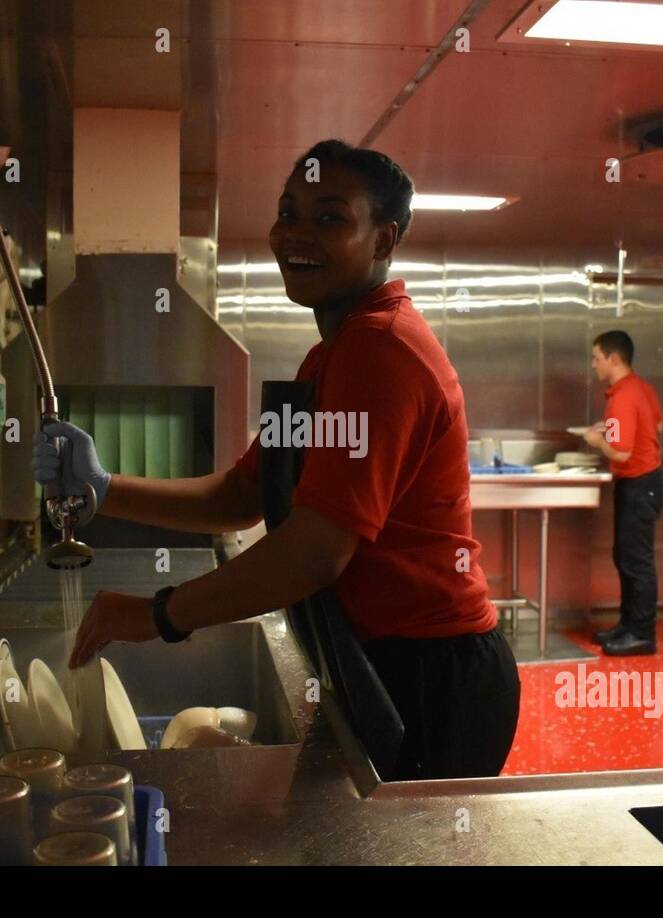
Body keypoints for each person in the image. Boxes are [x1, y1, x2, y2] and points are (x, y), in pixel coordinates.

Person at [33, 139, 520, 780]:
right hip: (377, 659)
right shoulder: (333, 354)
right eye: (289, 212)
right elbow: (241, 497)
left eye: (329, 218)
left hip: (427, 674)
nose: (296, 233)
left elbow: (316, 551)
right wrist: (103, 488)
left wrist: (158, 614)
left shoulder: (381, 350)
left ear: (382, 241)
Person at [583, 330, 663, 656]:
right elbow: (656, 427)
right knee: (627, 557)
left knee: (636, 561)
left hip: (638, 484)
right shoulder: (640, 388)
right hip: (648, 484)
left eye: (597, 358)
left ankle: (642, 634)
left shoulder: (621, 397)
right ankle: (628, 626)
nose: (594, 365)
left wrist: (595, 440)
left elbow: (620, 452)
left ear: (613, 359)